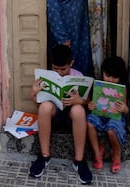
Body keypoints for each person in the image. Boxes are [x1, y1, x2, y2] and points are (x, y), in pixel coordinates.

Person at [29, 44, 92, 184]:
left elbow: (89, 103)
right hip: (54, 115)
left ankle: (79, 160)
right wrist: (33, 94)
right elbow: (39, 104)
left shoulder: (78, 76)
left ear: (71, 63)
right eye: (55, 68)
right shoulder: (46, 77)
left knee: (79, 110)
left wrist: (80, 101)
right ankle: (44, 155)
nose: (59, 72)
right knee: (44, 107)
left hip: (72, 118)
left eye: (63, 69)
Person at [87, 56, 128, 173]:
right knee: (89, 122)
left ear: (120, 77)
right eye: (107, 75)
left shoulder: (122, 89)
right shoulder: (98, 85)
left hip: (115, 117)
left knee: (111, 130)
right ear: (102, 73)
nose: (110, 80)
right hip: (100, 115)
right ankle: (97, 154)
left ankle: (116, 154)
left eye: (115, 77)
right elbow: (91, 103)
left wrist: (125, 109)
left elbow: (126, 110)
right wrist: (90, 106)